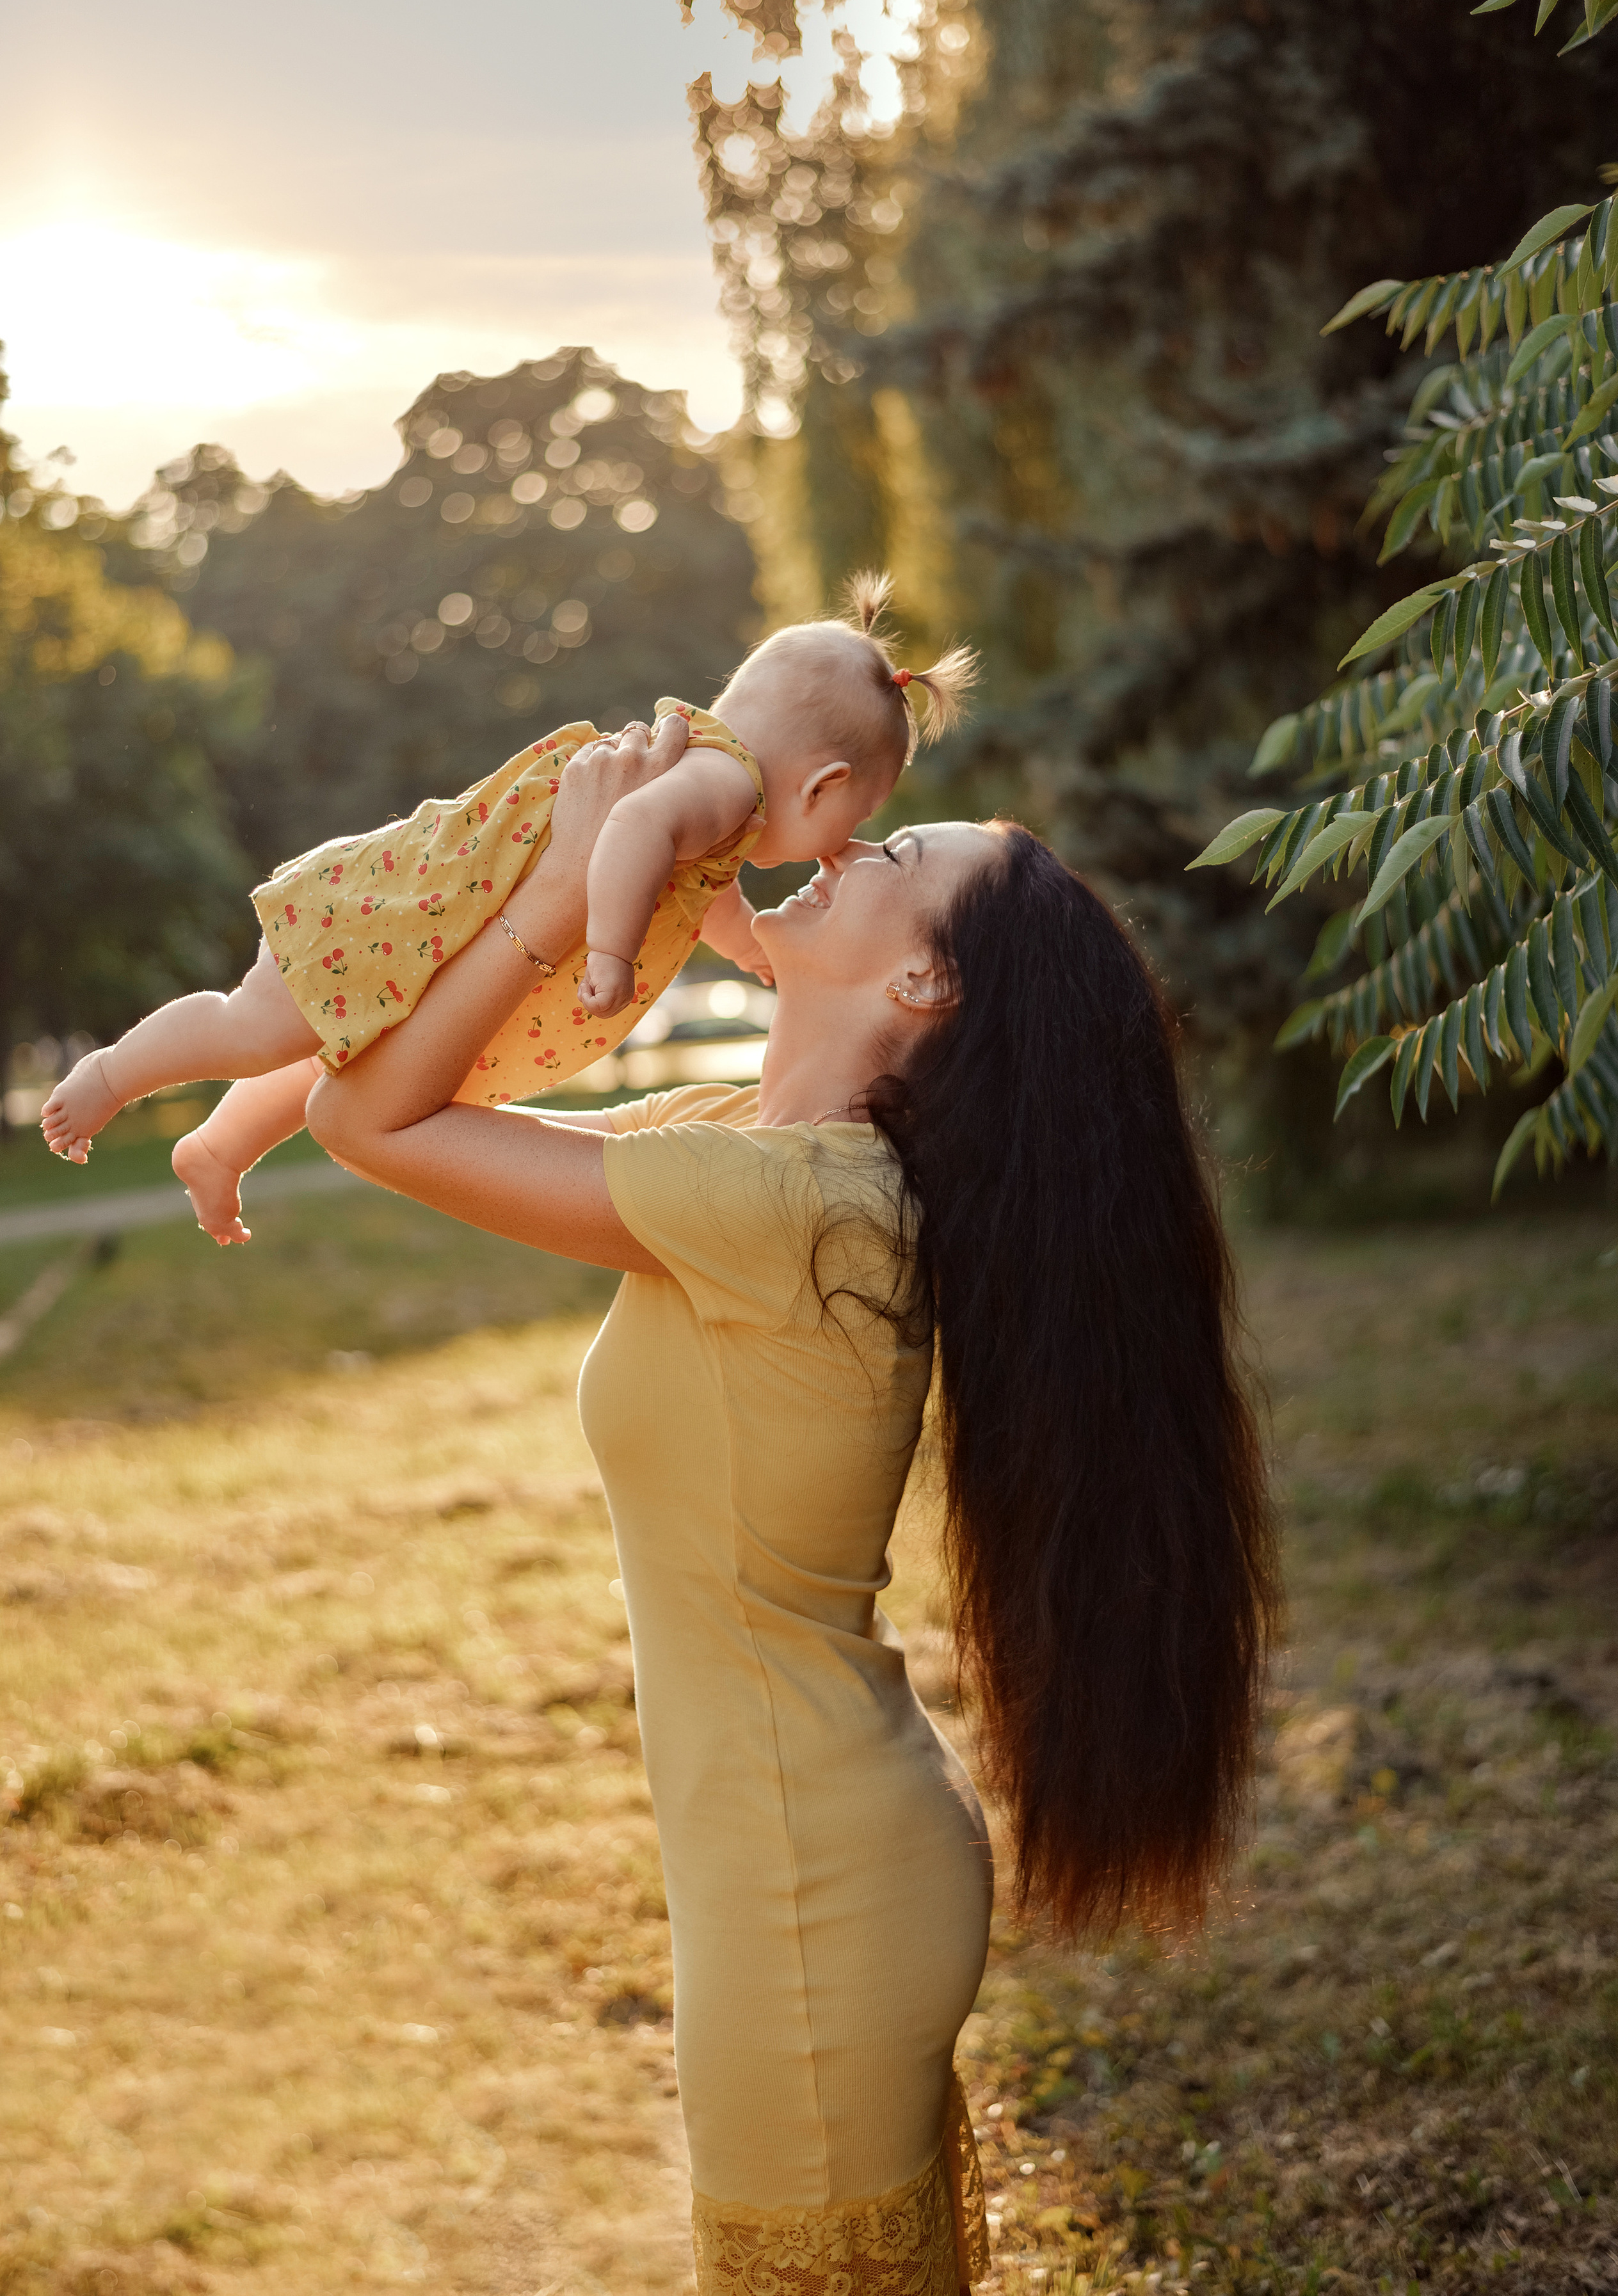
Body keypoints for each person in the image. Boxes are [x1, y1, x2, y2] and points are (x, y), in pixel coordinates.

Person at [301, 719, 1278, 2295]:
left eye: (894, 853)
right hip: (802, 1859)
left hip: (807, 1893)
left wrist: (559, 893)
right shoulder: (753, 1158)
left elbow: (364, 1123)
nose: (843, 844)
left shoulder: (800, 1207)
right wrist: (616, 868)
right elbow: (424, 1075)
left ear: (925, 982)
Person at [38, 578, 977, 1243]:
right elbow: (636, 828)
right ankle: (111, 1075)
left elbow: (707, 892)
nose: (840, 850)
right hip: (411, 915)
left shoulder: (720, 796)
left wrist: (741, 950)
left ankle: (220, 1145)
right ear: (823, 784)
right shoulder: (725, 787)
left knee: (339, 1042)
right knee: (253, 1025)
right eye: (857, 826)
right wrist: (609, 950)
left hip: (441, 925)